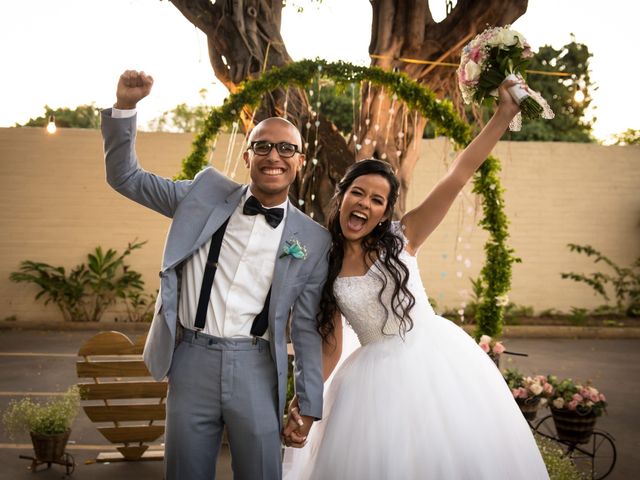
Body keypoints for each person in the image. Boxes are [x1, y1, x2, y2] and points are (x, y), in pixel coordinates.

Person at [282, 79, 550, 479]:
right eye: (358, 193)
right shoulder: (324, 264)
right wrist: (303, 405)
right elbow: (329, 350)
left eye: (377, 200)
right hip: (367, 386)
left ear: (386, 210)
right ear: (342, 197)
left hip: (437, 363)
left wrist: (503, 115)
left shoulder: (403, 238)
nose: (365, 204)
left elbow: (459, 174)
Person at [101, 70, 330, 480]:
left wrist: (309, 404)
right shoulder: (200, 195)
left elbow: (308, 328)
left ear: (300, 159)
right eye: (261, 146)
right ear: (246, 157)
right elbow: (126, 178)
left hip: (258, 369)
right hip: (191, 360)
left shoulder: (314, 240)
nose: (272, 156)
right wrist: (125, 107)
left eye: (285, 148)